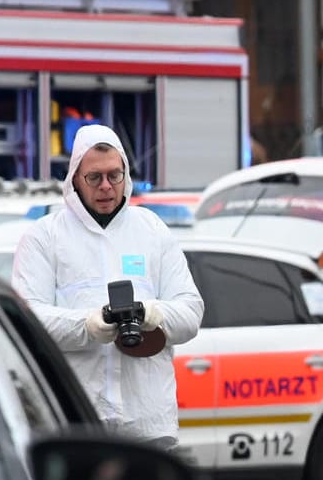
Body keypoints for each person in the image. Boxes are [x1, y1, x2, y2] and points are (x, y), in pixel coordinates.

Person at [13, 125, 205, 446]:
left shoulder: (152, 230)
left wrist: (151, 314)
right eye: (94, 177)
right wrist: (89, 325)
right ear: (75, 178)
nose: (106, 186)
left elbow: (190, 312)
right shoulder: (45, 237)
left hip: (147, 425)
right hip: (74, 420)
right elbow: (28, 321)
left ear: (126, 175)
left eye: (114, 175)